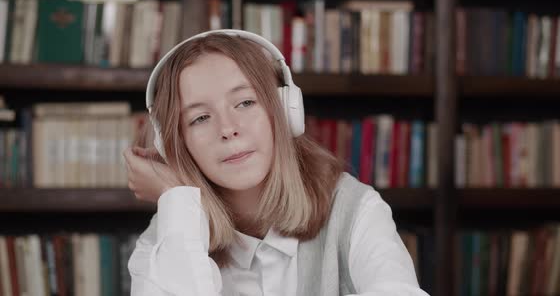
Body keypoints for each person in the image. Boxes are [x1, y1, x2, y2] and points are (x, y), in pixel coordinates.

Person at [123, 29, 430, 296]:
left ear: (284, 111)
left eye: (245, 102)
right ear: (174, 143)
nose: (228, 128)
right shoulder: (171, 232)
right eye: (200, 118)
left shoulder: (355, 209)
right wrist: (175, 195)